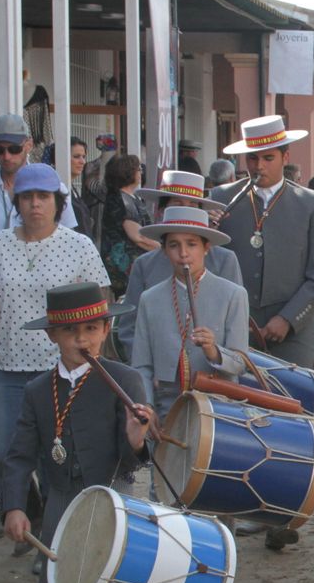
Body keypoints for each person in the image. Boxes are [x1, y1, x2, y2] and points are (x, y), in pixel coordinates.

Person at [2, 282, 153, 583]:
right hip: (63, 505)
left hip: (113, 500)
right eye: (71, 332)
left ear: (107, 329)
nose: (82, 339)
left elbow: (136, 460)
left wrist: (135, 436)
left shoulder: (124, 380)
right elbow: (19, 455)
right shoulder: (35, 390)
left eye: (92, 328)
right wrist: (12, 506)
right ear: (53, 336)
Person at [215, 115, 314, 550]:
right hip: (237, 327)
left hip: (292, 328)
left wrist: (289, 318)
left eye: (268, 157)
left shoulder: (309, 203)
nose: (259, 165)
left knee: (290, 419)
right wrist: (235, 317)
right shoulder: (222, 201)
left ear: (286, 158)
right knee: (237, 415)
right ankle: (236, 505)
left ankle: (283, 514)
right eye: (253, 157)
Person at [0, 164, 109, 540]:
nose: (35, 205)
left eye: (43, 197)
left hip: (60, 368)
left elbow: (100, 306)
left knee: (55, 454)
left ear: (58, 203)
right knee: (1, 452)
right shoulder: (0, 244)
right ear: (17, 202)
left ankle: (52, 532)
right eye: (27, 197)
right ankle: (22, 513)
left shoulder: (78, 245)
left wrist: (94, 358)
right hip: (7, 366)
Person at [129, 206, 250, 418]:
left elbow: (241, 363)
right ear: (164, 250)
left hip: (219, 411)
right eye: (174, 245)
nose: (183, 254)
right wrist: (147, 407)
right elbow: (142, 365)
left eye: (192, 244)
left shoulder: (233, 295)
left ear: (206, 247)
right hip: (166, 409)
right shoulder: (150, 298)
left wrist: (213, 350)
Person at [116, 171, 243, 359]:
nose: (183, 253)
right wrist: (147, 368)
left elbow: (236, 329)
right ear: (162, 210)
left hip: (212, 374)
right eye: (177, 204)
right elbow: (129, 329)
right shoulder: (145, 265)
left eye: (193, 205)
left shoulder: (224, 260)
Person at [0, 113, 78, 263]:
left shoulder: (55, 188)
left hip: (45, 280)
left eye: (14, 149)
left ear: (29, 145)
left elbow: (70, 244)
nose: (6, 156)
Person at [99, 154, 155, 295]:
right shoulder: (122, 200)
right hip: (124, 265)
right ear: (127, 172)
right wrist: (163, 248)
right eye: (138, 169)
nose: (141, 172)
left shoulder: (131, 197)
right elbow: (138, 237)